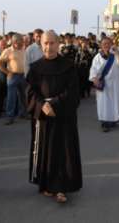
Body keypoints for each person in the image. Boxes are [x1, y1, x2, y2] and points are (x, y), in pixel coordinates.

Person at [27, 30, 82, 203]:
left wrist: (55, 104)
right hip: (42, 116)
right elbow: (29, 92)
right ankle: (46, 185)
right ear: (41, 44)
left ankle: (62, 188)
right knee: (45, 150)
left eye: (52, 43)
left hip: (63, 115)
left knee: (63, 151)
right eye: (45, 43)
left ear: (58, 44)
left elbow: (73, 91)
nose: (49, 46)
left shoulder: (69, 66)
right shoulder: (35, 68)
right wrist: (42, 105)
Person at [89, 38, 119, 132]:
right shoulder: (98, 57)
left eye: (108, 43)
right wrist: (95, 79)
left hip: (115, 84)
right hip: (103, 83)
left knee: (115, 102)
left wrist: (117, 51)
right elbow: (93, 69)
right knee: (104, 103)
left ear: (112, 44)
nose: (106, 45)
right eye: (104, 44)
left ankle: (114, 120)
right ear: (101, 45)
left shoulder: (115, 53)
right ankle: (105, 122)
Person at [0, 34, 27, 125]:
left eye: (22, 42)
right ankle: (10, 117)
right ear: (14, 42)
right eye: (20, 42)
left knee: (23, 96)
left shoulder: (23, 50)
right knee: (11, 97)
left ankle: (23, 113)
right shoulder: (8, 51)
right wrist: (7, 72)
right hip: (13, 76)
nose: (22, 44)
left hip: (23, 76)